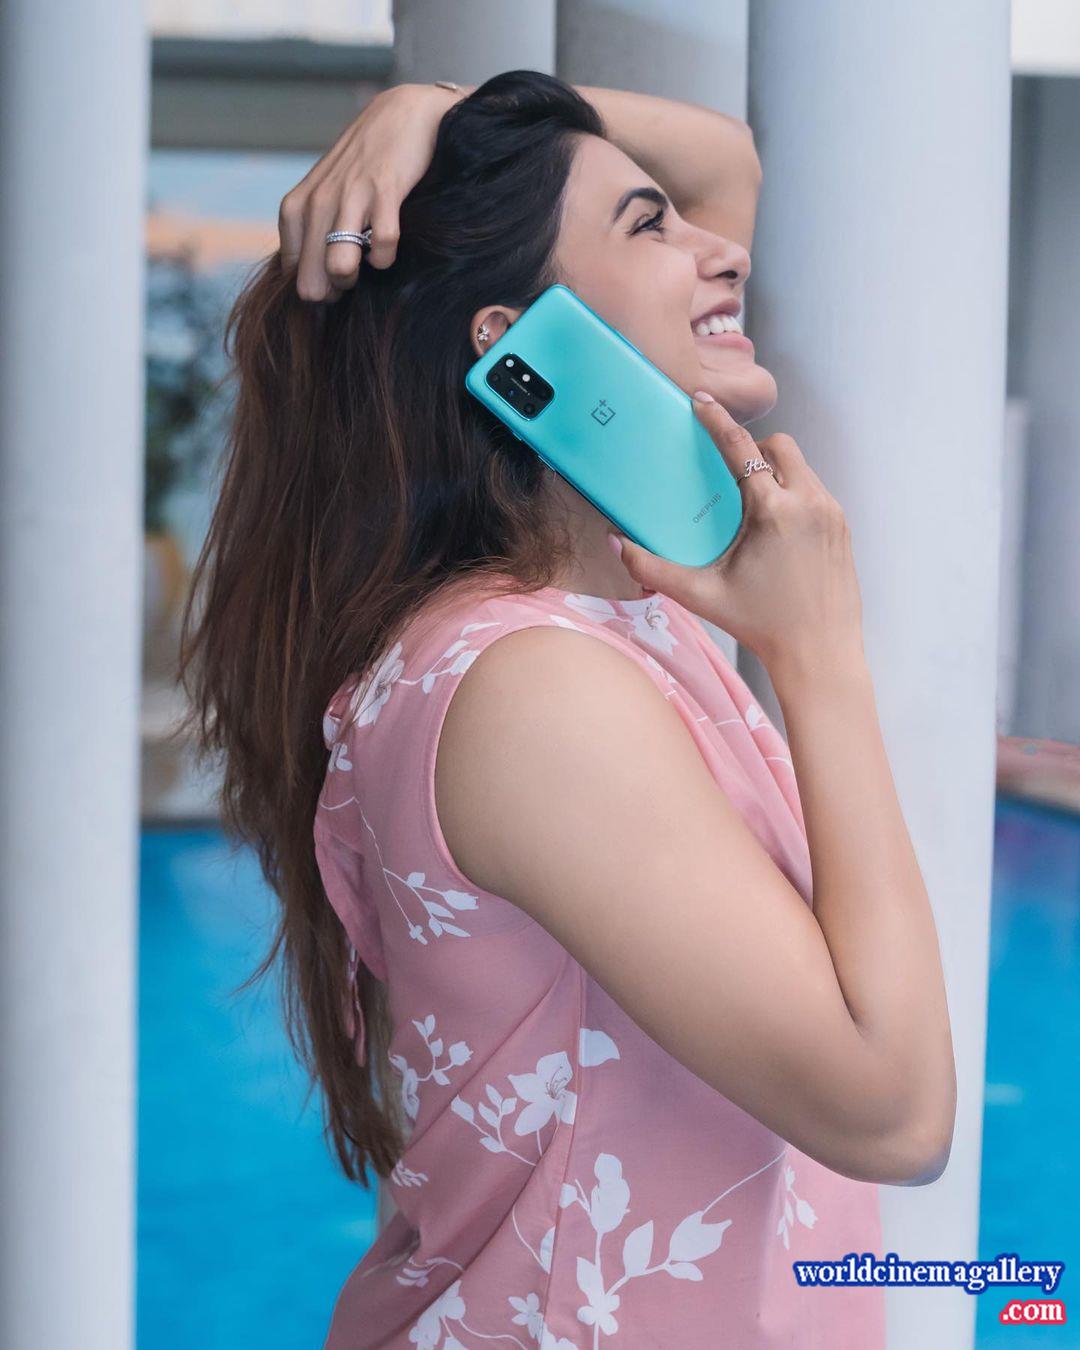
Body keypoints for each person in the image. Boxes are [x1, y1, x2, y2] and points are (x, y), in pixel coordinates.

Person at [179, 69, 955, 1348]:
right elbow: (894, 1114)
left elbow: (725, 161)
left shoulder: (597, 615)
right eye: (650, 227)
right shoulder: (532, 688)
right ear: (517, 341)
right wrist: (821, 653)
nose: (722, 251)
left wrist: (438, 106)